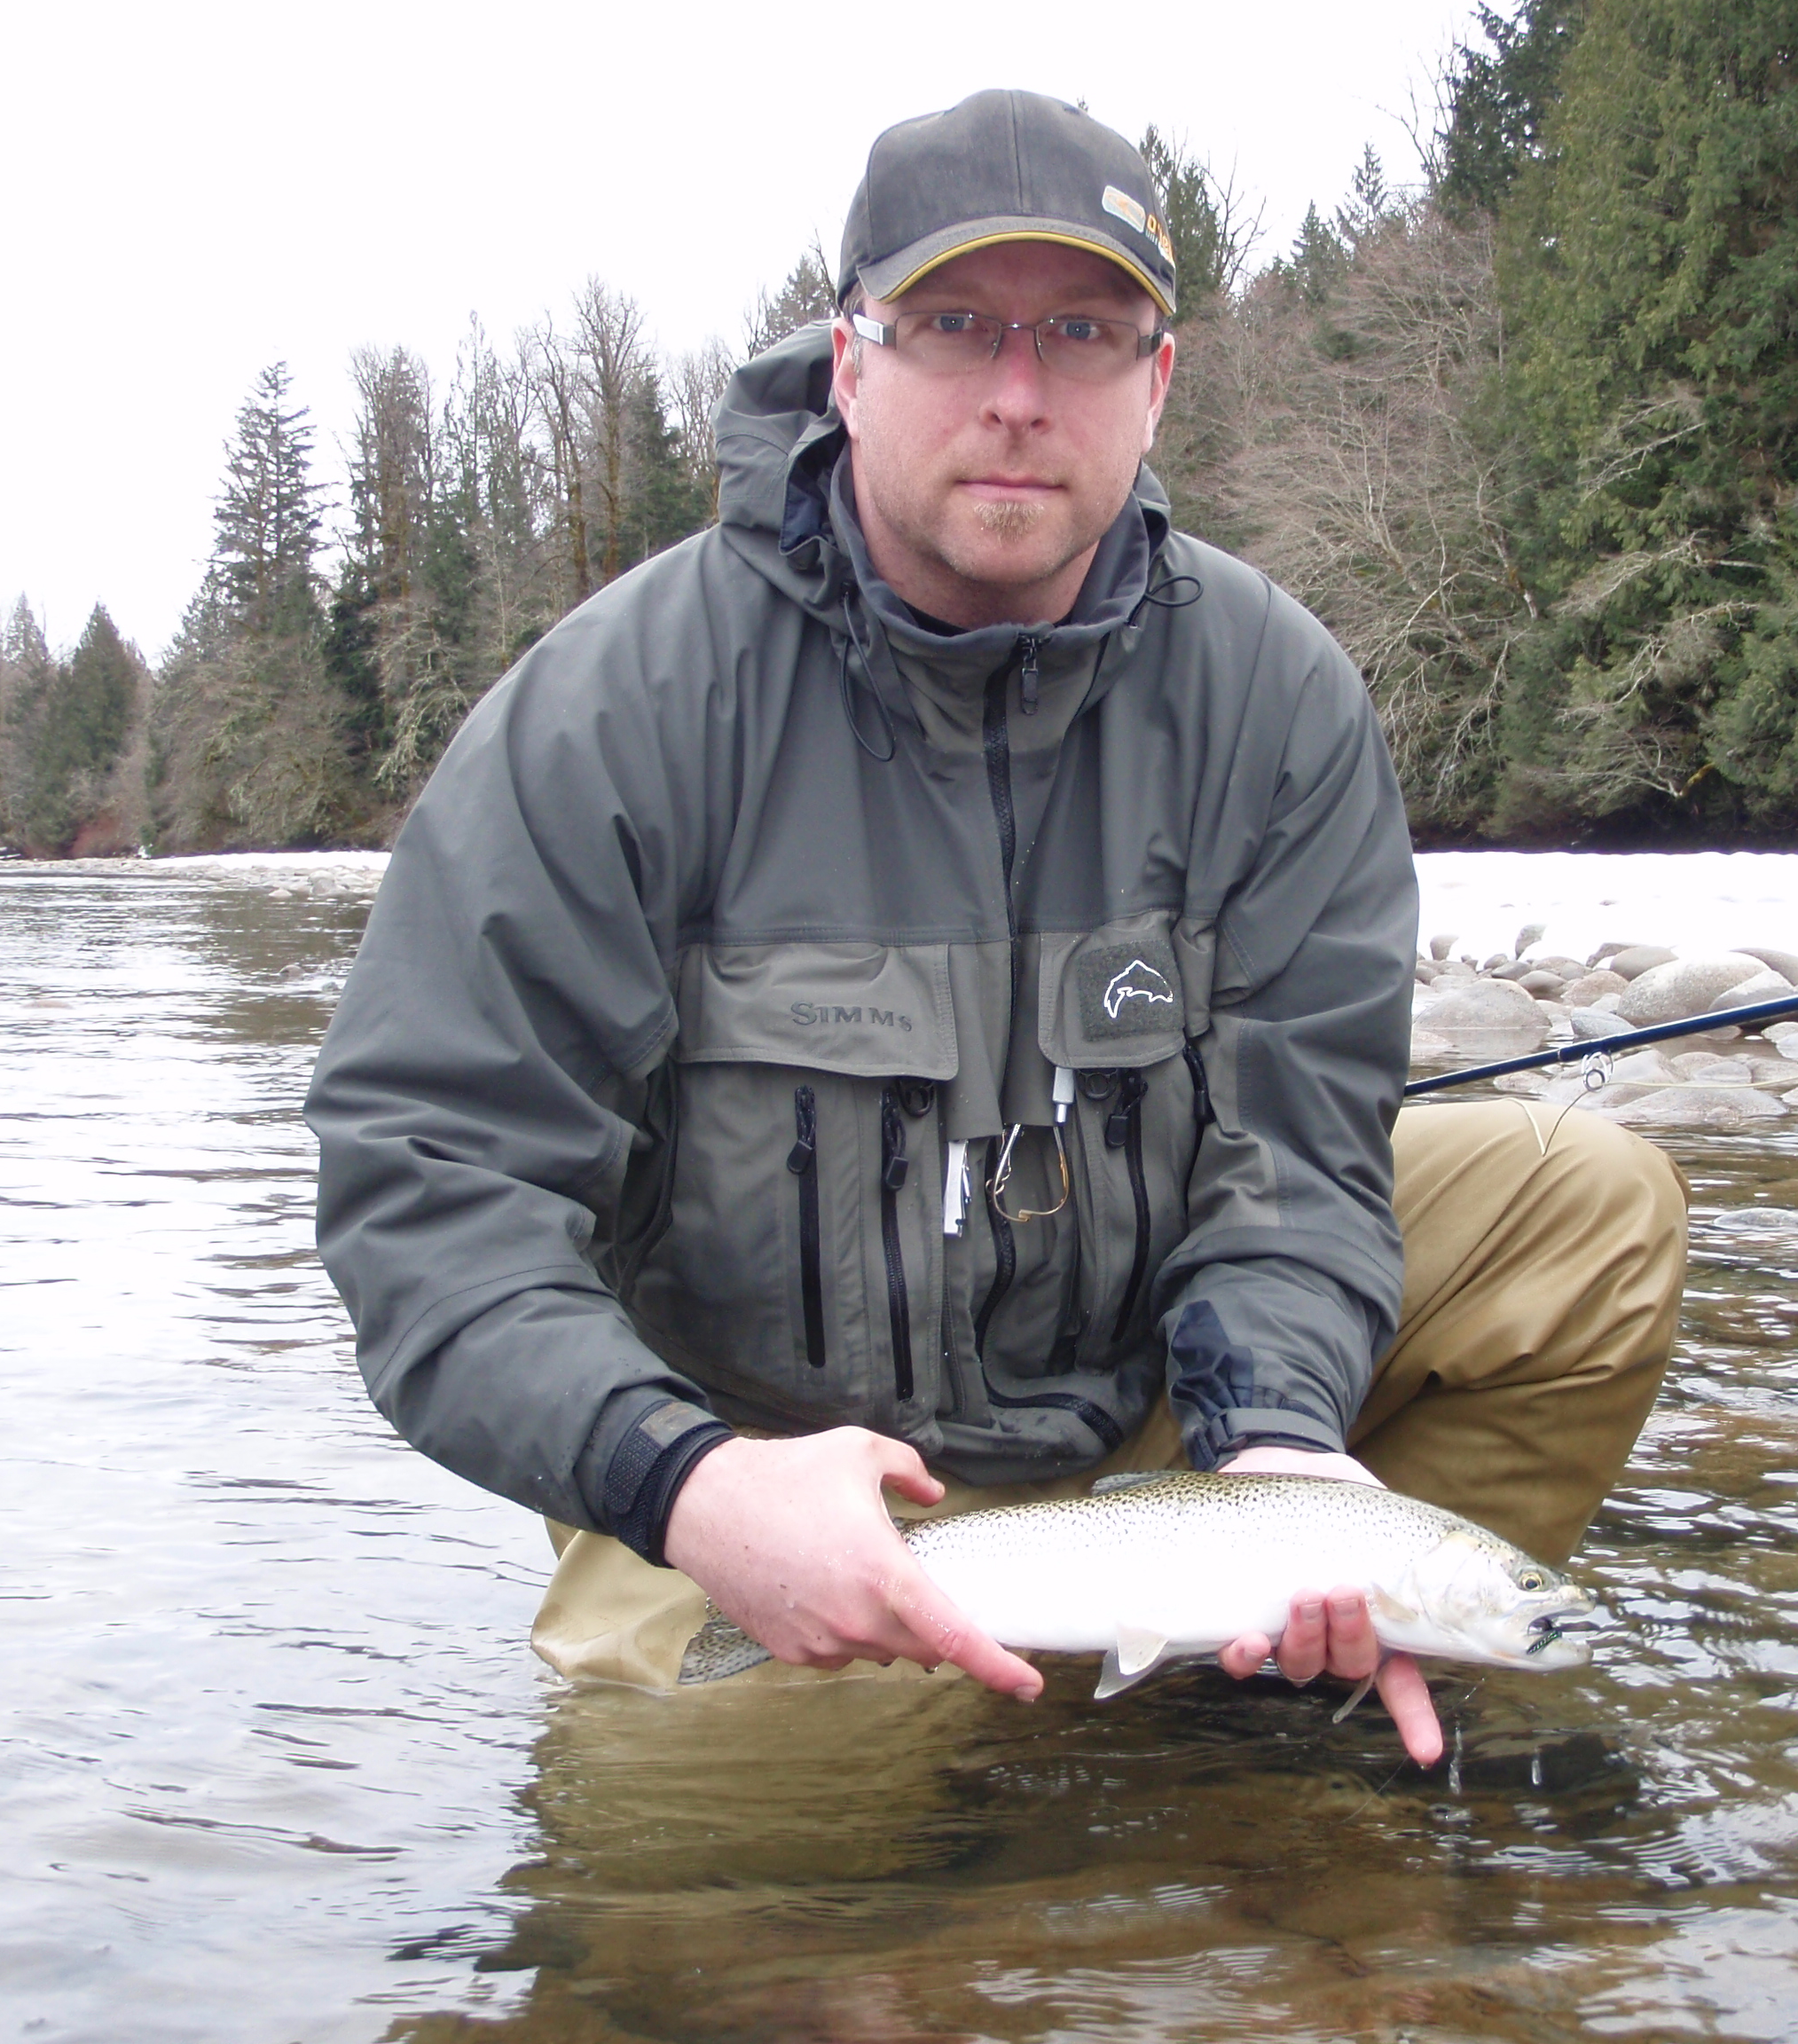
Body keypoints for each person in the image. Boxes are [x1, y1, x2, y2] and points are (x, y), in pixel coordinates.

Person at [306, 90, 1687, 1767]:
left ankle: (1254, 1720)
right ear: (850, 360)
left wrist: (1276, 1437)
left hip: (1141, 1424)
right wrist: (689, 1482)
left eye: (1085, 335)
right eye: (957, 325)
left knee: (1585, 1209)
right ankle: (970, 1752)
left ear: (1159, 377)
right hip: (769, 1485)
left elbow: (1301, 1158)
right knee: (700, 1934)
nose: (1020, 394)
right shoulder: (618, 710)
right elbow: (429, 1188)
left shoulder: (1276, 698)